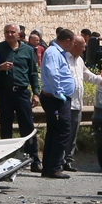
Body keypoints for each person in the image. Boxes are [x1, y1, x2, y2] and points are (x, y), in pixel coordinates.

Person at [0, 23, 41, 171]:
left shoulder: (28, 50)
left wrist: (36, 93)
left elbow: (33, 73)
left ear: (18, 34)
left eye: (12, 32)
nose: (9, 34)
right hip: (5, 93)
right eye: (7, 32)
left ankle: (34, 160)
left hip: (22, 93)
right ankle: (6, 161)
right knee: (6, 128)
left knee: (27, 127)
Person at [38, 27, 77, 178]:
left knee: (54, 133)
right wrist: (58, 92)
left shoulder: (58, 52)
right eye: (73, 42)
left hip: (57, 98)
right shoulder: (53, 53)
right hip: (55, 99)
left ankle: (48, 167)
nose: (73, 45)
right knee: (62, 131)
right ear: (67, 41)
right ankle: (54, 167)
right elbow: (53, 73)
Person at [64, 32, 102, 171]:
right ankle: (59, 159)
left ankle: (68, 159)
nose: (85, 49)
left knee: (73, 134)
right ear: (75, 45)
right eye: (83, 46)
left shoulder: (79, 60)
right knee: (64, 133)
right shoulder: (63, 59)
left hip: (77, 103)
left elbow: (87, 75)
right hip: (65, 103)